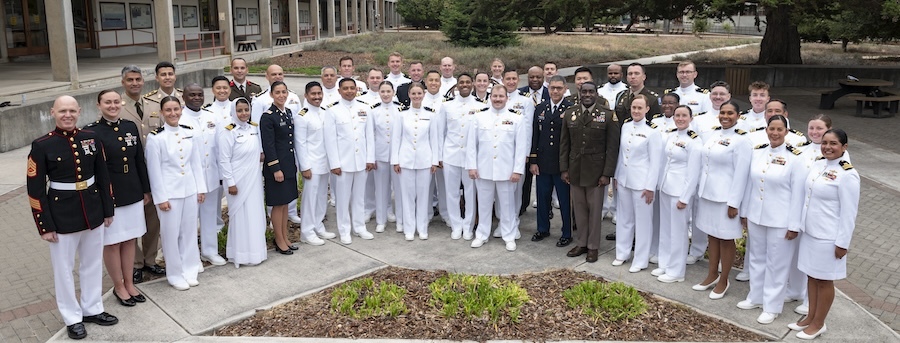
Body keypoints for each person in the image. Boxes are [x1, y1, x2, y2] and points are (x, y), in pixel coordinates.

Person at [28, 96, 118, 339]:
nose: (67, 115)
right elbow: (35, 190)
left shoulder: (91, 137)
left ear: (79, 111)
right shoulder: (42, 145)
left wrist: (107, 210)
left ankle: (92, 308)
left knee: (92, 263)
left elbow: (103, 176)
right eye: (62, 111)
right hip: (61, 216)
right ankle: (72, 317)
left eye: (71, 110)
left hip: (92, 210)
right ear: (53, 113)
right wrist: (44, 225)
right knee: (64, 270)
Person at [736, 115, 807, 324]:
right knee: (756, 259)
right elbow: (750, 185)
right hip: (757, 215)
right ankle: (756, 297)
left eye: (779, 129)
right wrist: (745, 212)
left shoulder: (796, 158)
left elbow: (798, 195)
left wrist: (794, 225)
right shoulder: (758, 152)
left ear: (786, 132)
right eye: (771, 129)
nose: (775, 133)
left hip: (780, 220)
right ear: (766, 130)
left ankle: (772, 306)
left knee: (777, 264)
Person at [790, 129, 859, 340]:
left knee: (824, 281)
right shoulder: (819, 164)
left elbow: (849, 213)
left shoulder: (848, 174)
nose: (828, 147)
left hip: (828, 237)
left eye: (833, 143)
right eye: (825, 143)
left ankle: (819, 323)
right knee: (811, 276)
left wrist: (843, 243)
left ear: (844, 147)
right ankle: (810, 317)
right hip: (811, 232)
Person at [86, 90, 150, 307]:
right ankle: (118, 286)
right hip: (110, 195)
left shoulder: (129, 127)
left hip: (132, 191)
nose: (112, 106)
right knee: (112, 243)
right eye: (107, 102)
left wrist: (145, 189)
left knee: (130, 239)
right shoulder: (91, 132)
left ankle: (130, 283)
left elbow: (139, 160)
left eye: (116, 102)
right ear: (99, 105)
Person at [145, 96, 207, 290]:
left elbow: (196, 163)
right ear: (162, 113)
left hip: (189, 189)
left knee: (189, 232)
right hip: (169, 193)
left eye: (176, 109)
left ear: (181, 110)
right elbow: (154, 171)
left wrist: (200, 188)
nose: (173, 113)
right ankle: (174, 274)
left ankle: (190, 269)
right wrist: (160, 198)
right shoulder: (156, 138)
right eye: (168, 110)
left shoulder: (189, 132)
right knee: (170, 235)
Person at [691, 100, 751, 300]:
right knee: (712, 236)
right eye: (723, 112)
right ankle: (712, 274)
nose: (725, 116)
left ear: (738, 116)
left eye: (730, 113)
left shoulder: (742, 140)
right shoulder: (715, 134)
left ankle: (724, 279)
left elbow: (741, 174)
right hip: (708, 194)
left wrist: (734, 203)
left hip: (725, 199)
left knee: (726, 239)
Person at [560, 82, 620, 262]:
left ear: (596, 94)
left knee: (594, 211)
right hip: (575, 169)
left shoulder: (607, 115)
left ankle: (593, 246)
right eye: (584, 91)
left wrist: (607, 173)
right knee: (579, 209)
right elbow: (564, 144)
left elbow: (612, 147)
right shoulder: (570, 114)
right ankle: (582, 243)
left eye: (591, 92)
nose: (587, 94)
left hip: (596, 171)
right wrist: (564, 169)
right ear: (579, 93)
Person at [466, 85, 528, 251]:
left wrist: (517, 170)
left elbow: (520, 148)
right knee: (484, 205)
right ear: (490, 97)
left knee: (507, 206)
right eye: (495, 96)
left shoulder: (517, 118)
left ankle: (509, 236)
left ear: (507, 98)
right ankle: (481, 235)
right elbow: (471, 145)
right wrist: (472, 166)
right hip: (483, 169)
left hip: (506, 171)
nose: (498, 99)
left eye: (501, 96)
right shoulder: (479, 117)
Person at [118, 65, 165, 283]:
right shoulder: (117, 106)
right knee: (133, 219)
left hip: (154, 171)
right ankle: (135, 263)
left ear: (143, 81)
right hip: (130, 173)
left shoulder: (154, 104)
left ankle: (150, 259)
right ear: (123, 82)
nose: (135, 83)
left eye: (138, 79)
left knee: (153, 219)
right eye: (130, 80)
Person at [613, 95, 663, 273]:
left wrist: (650, 187)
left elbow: (655, 162)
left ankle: (641, 259)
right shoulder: (626, 126)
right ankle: (622, 253)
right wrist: (617, 176)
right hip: (624, 179)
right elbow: (621, 154)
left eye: (640, 108)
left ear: (647, 109)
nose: (636, 111)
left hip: (642, 184)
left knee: (643, 223)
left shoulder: (652, 132)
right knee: (624, 218)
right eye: (634, 107)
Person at [323, 78, 376, 244]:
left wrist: (370, 158)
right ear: (339, 91)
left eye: (352, 88)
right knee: (342, 199)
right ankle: (344, 230)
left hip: (361, 162)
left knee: (359, 198)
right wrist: (334, 163)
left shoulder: (365, 108)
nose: (349, 91)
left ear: (356, 90)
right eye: (345, 88)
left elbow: (369, 136)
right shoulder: (332, 110)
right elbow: (330, 140)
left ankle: (359, 227)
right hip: (343, 163)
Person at [178, 84, 227, 265]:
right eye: (192, 95)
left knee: (209, 216)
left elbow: (219, 148)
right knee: (189, 220)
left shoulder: (211, 117)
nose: (197, 97)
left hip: (211, 176)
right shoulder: (179, 118)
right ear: (184, 97)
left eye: (199, 94)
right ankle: (191, 257)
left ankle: (209, 251)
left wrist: (221, 174)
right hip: (190, 179)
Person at [217, 97, 267, 267]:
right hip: (236, 182)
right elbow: (224, 160)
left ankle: (256, 253)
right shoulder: (228, 132)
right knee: (240, 217)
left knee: (255, 214)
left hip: (253, 179)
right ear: (233, 112)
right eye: (240, 110)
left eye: (246, 110)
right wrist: (230, 183)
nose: (244, 113)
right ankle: (240, 255)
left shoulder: (254, 128)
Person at [251, 65, 303, 224]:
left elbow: (297, 124)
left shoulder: (292, 99)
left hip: (288, 153)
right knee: (277, 196)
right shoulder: (260, 100)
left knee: (289, 189)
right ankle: (273, 219)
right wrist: (261, 151)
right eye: (274, 74)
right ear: (267, 76)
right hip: (273, 154)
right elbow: (257, 128)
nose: (277, 76)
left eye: (280, 73)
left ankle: (291, 213)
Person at [656, 105, 701, 283]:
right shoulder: (672, 135)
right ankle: (665, 263)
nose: (680, 119)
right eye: (677, 115)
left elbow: (693, 173)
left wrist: (685, 197)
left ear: (691, 118)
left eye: (684, 116)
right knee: (666, 229)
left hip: (679, 192)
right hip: (666, 187)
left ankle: (676, 271)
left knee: (678, 232)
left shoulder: (694, 141)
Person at [436, 73, 483, 240]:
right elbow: (441, 132)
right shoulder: (447, 106)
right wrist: (439, 156)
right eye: (461, 82)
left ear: (472, 84)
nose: (464, 85)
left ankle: (468, 226)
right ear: (457, 85)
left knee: (470, 193)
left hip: (471, 158)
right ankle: (456, 225)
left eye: (467, 82)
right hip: (451, 155)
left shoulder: (480, 106)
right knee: (452, 192)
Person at [392, 82, 441, 240]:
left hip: (424, 160)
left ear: (424, 94)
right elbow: (396, 139)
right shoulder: (401, 115)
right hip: (405, 160)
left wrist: (434, 161)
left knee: (423, 196)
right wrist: (395, 161)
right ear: (409, 95)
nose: (416, 96)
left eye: (419, 93)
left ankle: (422, 227)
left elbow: (434, 139)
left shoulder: (431, 115)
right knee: (407, 196)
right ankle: (409, 228)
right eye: (413, 93)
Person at [530, 75, 574, 247]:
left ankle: (567, 233)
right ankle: (542, 228)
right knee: (542, 198)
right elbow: (535, 135)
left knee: (564, 201)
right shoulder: (540, 108)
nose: (555, 91)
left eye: (559, 88)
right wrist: (533, 160)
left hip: (562, 164)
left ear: (565, 89)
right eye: (552, 88)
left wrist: (568, 166)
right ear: (548, 89)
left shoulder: (570, 108)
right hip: (543, 162)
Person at [295, 82, 339, 242]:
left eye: (319, 93)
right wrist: (305, 167)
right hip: (311, 164)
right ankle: (307, 231)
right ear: (306, 95)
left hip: (324, 163)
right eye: (313, 94)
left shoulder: (325, 112)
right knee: (310, 198)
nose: (317, 97)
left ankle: (318, 225)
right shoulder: (302, 116)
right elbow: (300, 143)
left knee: (321, 197)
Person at [259, 81, 299, 255]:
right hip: (276, 168)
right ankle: (279, 239)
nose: (281, 95)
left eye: (284, 92)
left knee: (285, 203)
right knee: (278, 204)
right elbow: (268, 145)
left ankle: (284, 237)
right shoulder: (268, 116)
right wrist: (276, 169)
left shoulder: (287, 112)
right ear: (271, 95)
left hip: (288, 164)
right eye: (278, 92)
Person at [501, 69, 535, 234]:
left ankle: (514, 220)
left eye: (514, 78)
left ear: (518, 80)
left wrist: (526, 153)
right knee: (501, 189)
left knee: (516, 190)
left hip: (517, 152)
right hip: (501, 152)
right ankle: (503, 221)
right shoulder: (495, 98)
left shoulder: (526, 101)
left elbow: (528, 128)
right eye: (508, 78)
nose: (511, 81)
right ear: (503, 80)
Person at [368, 81, 403, 233]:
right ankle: (381, 220)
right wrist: (371, 157)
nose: (386, 94)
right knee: (381, 189)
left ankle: (401, 220)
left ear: (393, 92)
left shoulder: (400, 110)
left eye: (388, 91)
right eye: (383, 91)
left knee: (400, 190)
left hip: (398, 156)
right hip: (380, 155)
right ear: (379, 93)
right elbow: (370, 136)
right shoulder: (373, 111)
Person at [142, 62, 183, 127]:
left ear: (175, 77)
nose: (167, 77)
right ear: (157, 78)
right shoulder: (146, 101)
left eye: (170, 74)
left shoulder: (185, 97)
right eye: (163, 75)